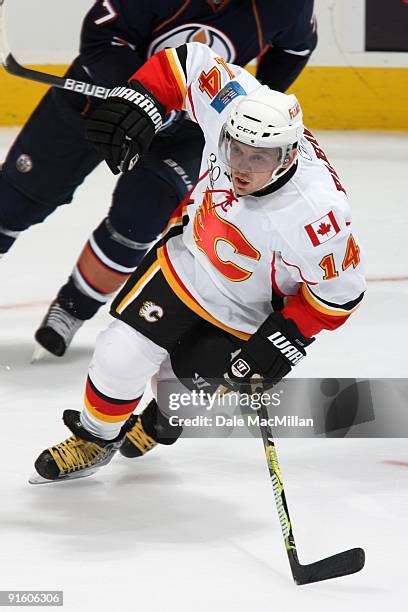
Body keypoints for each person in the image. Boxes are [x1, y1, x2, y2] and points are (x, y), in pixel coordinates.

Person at [32, 41, 365, 482]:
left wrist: (282, 342)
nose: (241, 167)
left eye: (259, 158)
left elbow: (340, 295)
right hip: (186, 263)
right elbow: (186, 63)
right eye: (236, 149)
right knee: (118, 356)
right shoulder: (234, 104)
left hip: (247, 310)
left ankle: (163, 419)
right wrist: (142, 99)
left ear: (287, 156)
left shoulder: (317, 216)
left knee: (181, 390)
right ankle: (95, 439)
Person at [0, 0, 317, 357]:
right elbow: (102, 38)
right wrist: (144, 98)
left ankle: (72, 309)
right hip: (99, 98)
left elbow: (295, 48)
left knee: (137, 222)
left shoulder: (288, 5)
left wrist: (250, 101)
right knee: (12, 203)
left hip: (187, 128)